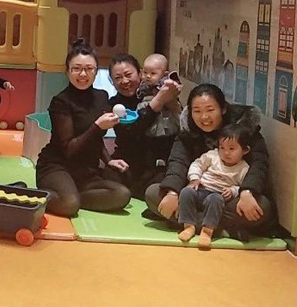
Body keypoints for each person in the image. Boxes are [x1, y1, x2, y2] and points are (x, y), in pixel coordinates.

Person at [145, 84, 276, 239]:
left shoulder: (245, 131)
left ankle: (189, 223)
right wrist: (172, 193)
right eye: (197, 111)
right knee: (153, 193)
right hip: (194, 194)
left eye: (210, 110)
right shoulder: (187, 131)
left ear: (223, 109)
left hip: (228, 199)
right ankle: (221, 229)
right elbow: (178, 162)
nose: (204, 117)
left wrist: (247, 192)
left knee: (262, 207)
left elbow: (259, 165)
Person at [35, 41, 131, 218]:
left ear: (96, 71)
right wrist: (97, 126)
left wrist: (108, 160)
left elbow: (96, 139)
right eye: (76, 69)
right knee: (69, 206)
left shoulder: (102, 97)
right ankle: (36, 196)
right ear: (67, 71)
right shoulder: (61, 101)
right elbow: (68, 149)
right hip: (57, 165)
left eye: (89, 69)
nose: (83, 74)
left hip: (85, 170)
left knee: (122, 194)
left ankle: (70, 194)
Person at [105, 53, 183, 198]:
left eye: (128, 75)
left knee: (159, 190)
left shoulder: (159, 90)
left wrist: (170, 99)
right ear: (112, 81)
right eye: (118, 78)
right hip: (127, 161)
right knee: (112, 186)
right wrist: (158, 101)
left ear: (139, 73)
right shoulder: (114, 104)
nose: (125, 81)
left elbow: (179, 119)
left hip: (158, 161)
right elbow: (131, 131)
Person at [177, 125, 252, 249]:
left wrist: (233, 190)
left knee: (215, 199)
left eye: (232, 149)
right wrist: (195, 178)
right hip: (201, 189)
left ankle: (207, 231)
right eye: (222, 148)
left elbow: (243, 186)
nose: (226, 152)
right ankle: (188, 226)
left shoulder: (243, 168)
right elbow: (197, 165)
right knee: (186, 192)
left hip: (218, 195)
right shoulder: (212, 156)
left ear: (245, 150)